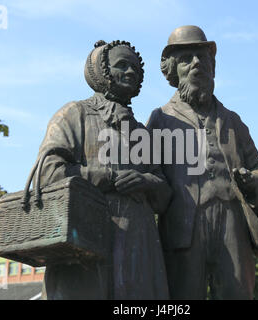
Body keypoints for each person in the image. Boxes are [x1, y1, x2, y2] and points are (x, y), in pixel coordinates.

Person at [146, 25, 258, 299]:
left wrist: (253, 181)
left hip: (233, 226)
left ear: (212, 66)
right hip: (182, 229)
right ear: (171, 70)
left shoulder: (232, 121)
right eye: (186, 58)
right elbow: (149, 175)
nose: (196, 64)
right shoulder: (160, 120)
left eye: (202, 57)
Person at [36, 40, 171, 299]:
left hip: (138, 247)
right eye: (122, 65)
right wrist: (108, 177)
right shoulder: (74, 114)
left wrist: (145, 181)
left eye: (135, 68)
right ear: (101, 71)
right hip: (86, 241)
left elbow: (164, 195)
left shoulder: (141, 131)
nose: (131, 72)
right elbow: (48, 172)